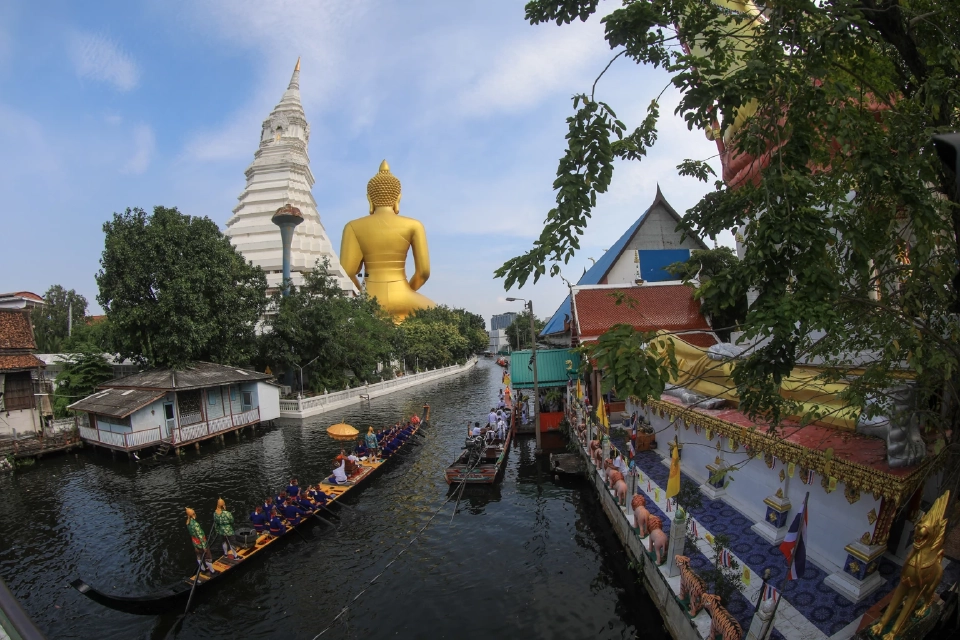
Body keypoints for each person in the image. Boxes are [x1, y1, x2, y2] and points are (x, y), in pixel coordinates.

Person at [185, 508, 216, 575]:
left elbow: (192, 535)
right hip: (201, 544)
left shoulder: (188, 523)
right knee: (208, 557)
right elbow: (200, 536)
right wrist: (204, 546)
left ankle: (203, 569)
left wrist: (195, 546)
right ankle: (212, 571)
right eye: (194, 513)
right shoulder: (195, 524)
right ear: (193, 515)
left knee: (199, 556)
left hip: (195, 544)